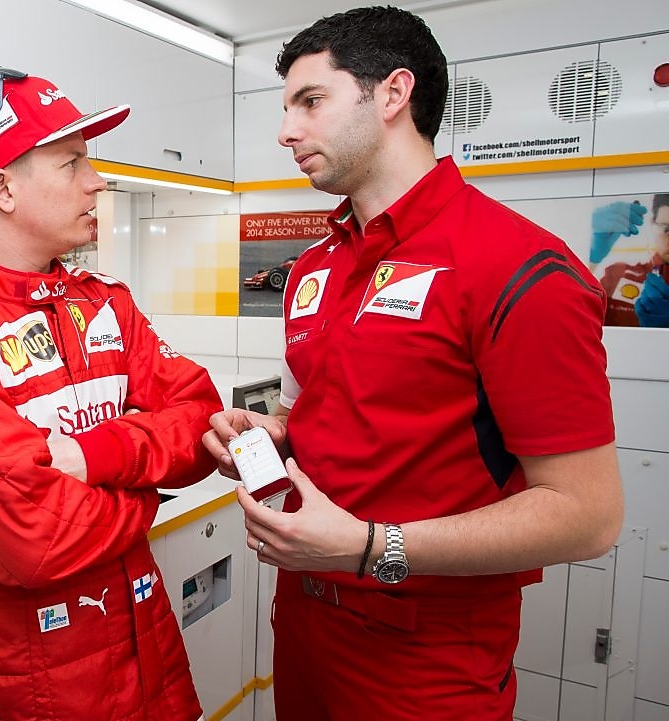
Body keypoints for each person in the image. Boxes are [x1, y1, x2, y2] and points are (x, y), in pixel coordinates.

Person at [201, 7, 623, 720]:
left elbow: (589, 514)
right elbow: (345, 413)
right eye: (285, 108)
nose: (286, 131)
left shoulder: (514, 265)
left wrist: (370, 547)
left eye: (311, 101)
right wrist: (280, 435)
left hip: (425, 657)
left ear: (392, 94)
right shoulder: (317, 266)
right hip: (303, 625)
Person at [0, 68, 223, 721]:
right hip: (40, 686)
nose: (98, 181)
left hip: (154, 658)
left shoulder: (104, 301)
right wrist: (147, 487)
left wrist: (95, 458)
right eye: (73, 162)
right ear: (2, 188)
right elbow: (35, 542)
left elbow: (203, 422)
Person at [589, 194, 669, 327]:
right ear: (652, 224)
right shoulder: (618, 277)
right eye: (666, 229)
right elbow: (576, 321)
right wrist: (591, 260)